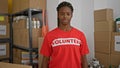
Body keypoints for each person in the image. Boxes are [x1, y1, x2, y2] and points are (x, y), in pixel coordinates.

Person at [40, 1, 89, 68]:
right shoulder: (49, 36)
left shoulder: (80, 35)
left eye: (68, 14)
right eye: (62, 14)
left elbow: (84, 60)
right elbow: (45, 60)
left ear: (72, 15)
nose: (65, 16)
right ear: (58, 15)